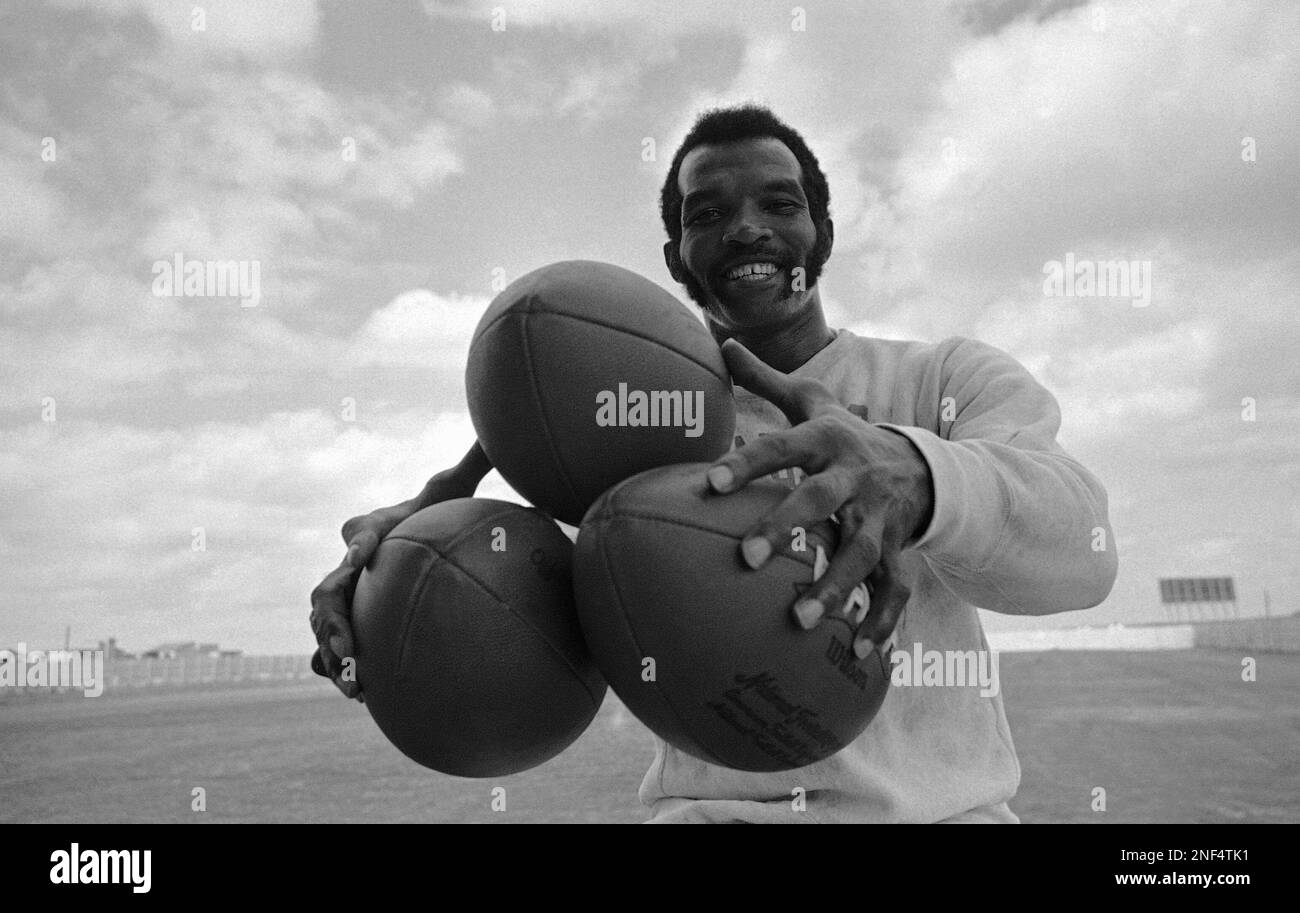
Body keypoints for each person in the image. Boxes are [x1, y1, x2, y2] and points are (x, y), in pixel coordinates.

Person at [310, 105, 1118, 823]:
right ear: (676, 257)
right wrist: (401, 571)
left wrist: (920, 474)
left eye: (780, 202)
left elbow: (1082, 551)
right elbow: (501, 591)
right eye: (710, 213)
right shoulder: (624, 438)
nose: (745, 228)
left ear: (823, 237)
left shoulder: (939, 380)